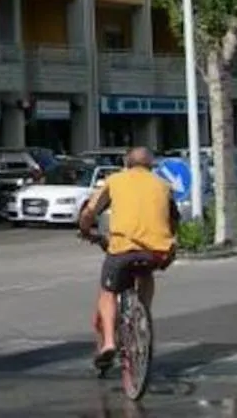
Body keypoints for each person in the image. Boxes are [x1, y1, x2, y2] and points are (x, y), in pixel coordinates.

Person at [75, 146, 179, 373]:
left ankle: (110, 343)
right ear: (150, 165)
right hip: (156, 252)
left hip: (122, 250)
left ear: (126, 163)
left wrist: (85, 230)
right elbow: (173, 220)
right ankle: (143, 316)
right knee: (146, 272)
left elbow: (90, 212)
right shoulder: (163, 185)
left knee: (107, 291)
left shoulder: (115, 181)